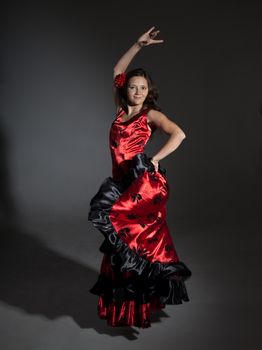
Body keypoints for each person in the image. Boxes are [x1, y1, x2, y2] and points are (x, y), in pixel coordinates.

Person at [88, 26, 192, 328]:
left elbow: (179, 134)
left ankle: (138, 308)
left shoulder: (149, 115)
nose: (137, 91)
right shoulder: (120, 110)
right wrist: (138, 44)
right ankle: (120, 309)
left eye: (143, 88)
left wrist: (155, 159)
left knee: (137, 244)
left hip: (138, 184)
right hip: (118, 184)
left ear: (149, 92)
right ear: (126, 90)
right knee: (119, 244)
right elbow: (117, 70)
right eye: (133, 87)